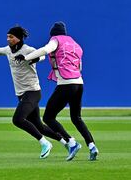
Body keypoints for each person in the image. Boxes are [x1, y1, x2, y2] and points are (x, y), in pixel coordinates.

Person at [0, 25, 68, 159]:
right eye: (7, 36)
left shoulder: (28, 50)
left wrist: (34, 58)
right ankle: (67, 143)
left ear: (18, 38)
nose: (8, 39)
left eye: (11, 37)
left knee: (18, 119)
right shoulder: (8, 50)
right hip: (21, 94)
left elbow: (41, 56)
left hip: (32, 91)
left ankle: (44, 143)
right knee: (39, 126)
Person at [15, 21, 99, 161]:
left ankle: (71, 143)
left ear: (53, 34)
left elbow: (45, 50)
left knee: (48, 117)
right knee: (76, 118)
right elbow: (80, 67)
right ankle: (92, 146)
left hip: (66, 84)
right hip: (79, 83)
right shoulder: (75, 44)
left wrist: (25, 57)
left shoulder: (55, 40)